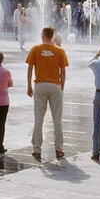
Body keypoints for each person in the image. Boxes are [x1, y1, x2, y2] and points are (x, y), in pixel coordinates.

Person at [26, 26, 68, 160]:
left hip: (40, 84)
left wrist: (29, 86)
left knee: (38, 118)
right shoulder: (60, 51)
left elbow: (30, 68)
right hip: (55, 85)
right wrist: (62, 86)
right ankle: (59, 148)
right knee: (57, 119)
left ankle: (37, 149)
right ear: (52, 36)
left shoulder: (35, 49)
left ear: (43, 35)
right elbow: (63, 71)